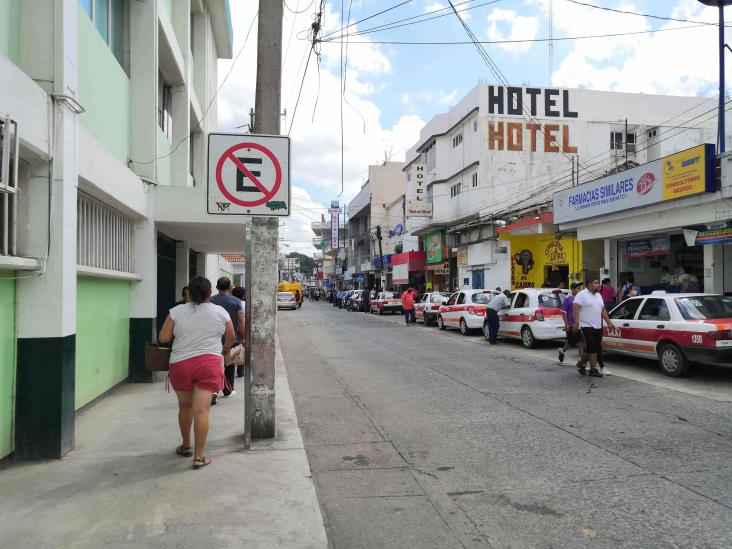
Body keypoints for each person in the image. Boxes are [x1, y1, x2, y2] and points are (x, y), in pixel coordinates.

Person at [159, 276, 234, 469]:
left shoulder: (175, 312)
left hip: (181, 364)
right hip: (209, 364)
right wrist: (225, 348)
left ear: (189, 293)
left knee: (185, 407)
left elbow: (164, 337)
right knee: (202, 411)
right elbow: (231, 336)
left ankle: (186, 447)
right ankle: (199, 457)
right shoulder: (220, 311)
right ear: (210, 292)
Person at [573, 278, 615, 378]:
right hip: (586, 326)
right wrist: (576, 323)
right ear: (589, 284)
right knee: (592, 349)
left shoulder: (598, 295)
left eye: (598, 283)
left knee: (591, 349)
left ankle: (581, 363)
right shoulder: (582, 294)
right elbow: (576, 308)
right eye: (596, 283)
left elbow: (603, 310)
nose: (598, 285)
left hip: (598, 326)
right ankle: (593, 370)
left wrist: (609, 322)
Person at [210, 277, 244, 399]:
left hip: (214, 338)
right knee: (229, 364)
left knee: (214, 364)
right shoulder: (236, 301)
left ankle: (214, 389)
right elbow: (240, 320)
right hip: (231, 337)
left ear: (217, 287)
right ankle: (227, 390)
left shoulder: (210, 300)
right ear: (230, 287)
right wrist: (244, 337)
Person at [558, 282, 583, 363]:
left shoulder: (581, 297)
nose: (580, 290)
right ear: (572, 289)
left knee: (580, 341)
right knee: (571, 343)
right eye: (578, 288)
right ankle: (562, 350)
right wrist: (566, 324)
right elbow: (564, 312)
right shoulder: (568, 298)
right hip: (571, 324)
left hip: (579, 323)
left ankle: (580, 359)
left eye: (580, 288)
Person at [231, 286, 246, 378]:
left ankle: (230, 369)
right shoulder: (245, 304)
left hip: (232, 328)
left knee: (231, 350)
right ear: (243, 294)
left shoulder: (231, 303)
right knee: (242, 349)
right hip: (243, 329)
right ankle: (240, 371)